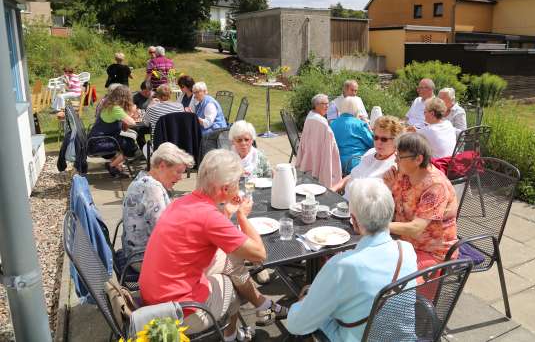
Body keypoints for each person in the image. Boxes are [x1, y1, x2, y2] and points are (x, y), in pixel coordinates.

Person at [139, 150, 288, 340]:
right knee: (231, 285)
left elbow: (202, 233)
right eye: (237, 183)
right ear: (225, 189)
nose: (238, 187)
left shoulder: (182, 201)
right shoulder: (209, 217)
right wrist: (242, 216)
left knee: (232, 259)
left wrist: (226, 212)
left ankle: (262, 307)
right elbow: (259, 254)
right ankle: (231, 335)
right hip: (176, 313)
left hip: (155, 293)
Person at [287, 178, 417, 341]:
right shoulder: (407, 250)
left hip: (356, 337)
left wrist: (302, 304)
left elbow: (296, 325)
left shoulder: (341, 265)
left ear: (354, 221)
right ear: (390, 214)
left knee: (308, 303)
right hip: (402, 339)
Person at [384, 133, 458, 271]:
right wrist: (388, 187)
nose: (396, 161)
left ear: (418, 159)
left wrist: (379, 225)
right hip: (405, 243)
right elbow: (395, 207)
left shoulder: (435, 186)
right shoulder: (405, 173)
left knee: (386, 277)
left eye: (399, 157)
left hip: (433, 253)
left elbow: (416, 229)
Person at [122, 143, 194, 259]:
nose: (181, 177)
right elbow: (165, 232)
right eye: (178, 172)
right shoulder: (151, 188)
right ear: (162, 166)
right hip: (144, 258)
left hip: (138, 252)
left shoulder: (143, 178)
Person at [332, 116, 404, 199]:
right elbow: (353, 175)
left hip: (364, 209)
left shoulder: (395, 164)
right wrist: (335, 188)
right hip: (344, 201)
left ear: (396, 140)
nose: (378, 142)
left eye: (384, 139)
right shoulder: (371, 152)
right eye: (375, 137)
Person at [88, 84, 138, 176]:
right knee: (131, 146)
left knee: (127, 141)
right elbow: (132, 123)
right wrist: (133, 111)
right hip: (100, 142)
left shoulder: (110, 105)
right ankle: (112, 165)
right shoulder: (116, 109)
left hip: (97, 139)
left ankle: (116, 167)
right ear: (125, 97)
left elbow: (124, 124)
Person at [296, 93, 342, 187]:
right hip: (319, 154)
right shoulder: (320, 122)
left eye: (328, 103)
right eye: (324, 104)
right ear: (316, 105)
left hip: (311, 153)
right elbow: (331, 143)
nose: (327, 106)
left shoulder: (311, 116)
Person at [330, 96, 373, 174]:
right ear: (356, 109)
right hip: (356, 163)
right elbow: (372, 143)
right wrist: (369, 128)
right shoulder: (359, 124)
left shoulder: (333, 124)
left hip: (337, 163)